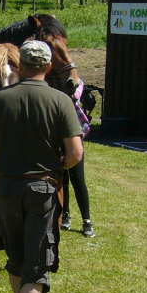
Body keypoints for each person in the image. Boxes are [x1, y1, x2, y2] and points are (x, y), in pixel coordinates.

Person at [0, 40, 84, 293]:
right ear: (49, 67)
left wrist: (7, 164)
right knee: (38, 263)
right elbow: (76, 153)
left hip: (7, 188)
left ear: (20, 65)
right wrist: (56, 167)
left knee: (17, 256)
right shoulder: (60, 101)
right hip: (42, 189)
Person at [61, 78, 95, 238]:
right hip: (57, 136)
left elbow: (76, 94)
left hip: (73, 136)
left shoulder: (76, 83)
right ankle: (65, 214)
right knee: (62, 180)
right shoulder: (51, 85)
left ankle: (86, 220)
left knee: (78, 180)